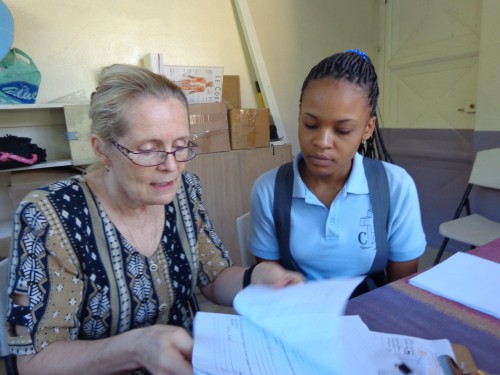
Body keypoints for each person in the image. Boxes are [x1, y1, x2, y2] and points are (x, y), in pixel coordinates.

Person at [6, 64, 304, 375]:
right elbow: (35, 361)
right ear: (103, 149)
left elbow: (214, 278)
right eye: (149, 150)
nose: (172, 167)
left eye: (180, 146)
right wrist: (136, 348)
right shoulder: (51, 217)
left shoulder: (184, 193)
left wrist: (255, 279)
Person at [248, 49, 426, 291]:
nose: (322, 141)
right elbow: (270, 283)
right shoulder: (270, 189)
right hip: (297, 312)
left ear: (367, 128)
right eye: (310, 124)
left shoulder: (395, 186)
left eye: (342, 130)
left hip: (370, 312)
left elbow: (400, 288)